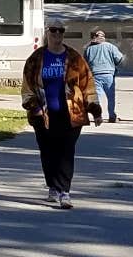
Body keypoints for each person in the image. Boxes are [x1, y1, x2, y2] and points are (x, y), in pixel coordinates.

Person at [20, 19, 102, 208]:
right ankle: (53, 187)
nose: (57, 35)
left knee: (66, 152)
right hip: (44, 115)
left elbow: (87, 84)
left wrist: (95, 110)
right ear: (47, 33)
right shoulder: (36, 58)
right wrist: (34, 107)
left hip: (71, 114)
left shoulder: (74, 58)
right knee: (48, 152)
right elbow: (27, 86)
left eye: (61, 31)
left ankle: (64, 192)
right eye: (53, 31)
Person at [84, 29, 124, 123]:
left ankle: (98, 116)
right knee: (111, 97)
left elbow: (85, 62)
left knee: (97, 97)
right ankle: (112, 116)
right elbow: (119, 58)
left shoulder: (89, 49)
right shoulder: (110, 46)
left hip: (95, 75)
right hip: (108, 74)